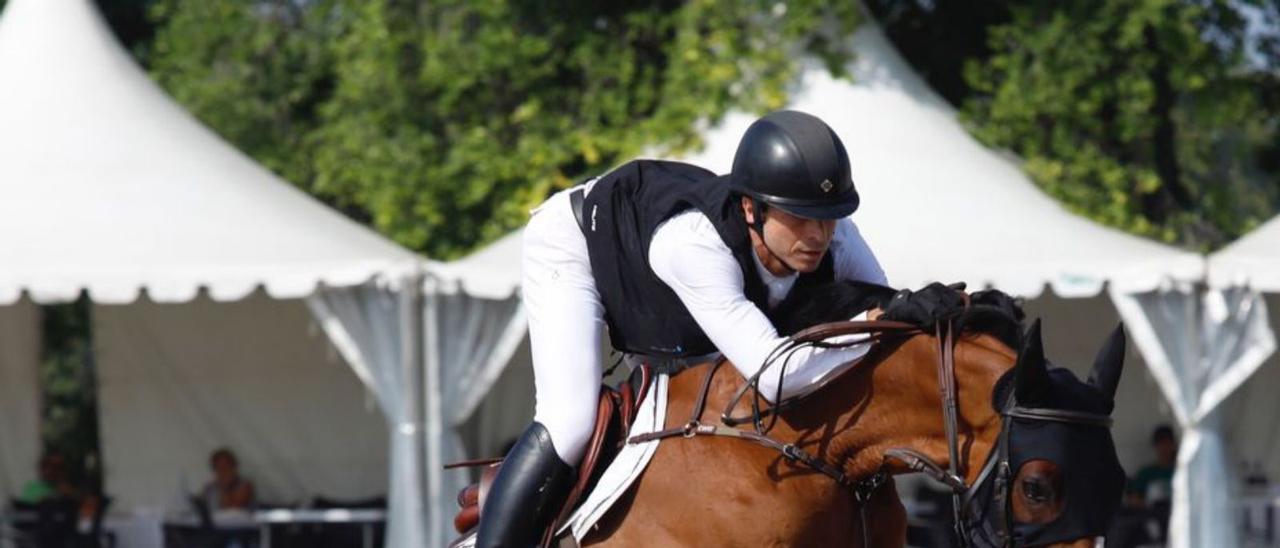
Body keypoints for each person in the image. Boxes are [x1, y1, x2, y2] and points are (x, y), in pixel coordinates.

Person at [478, 110, 887, 547]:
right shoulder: (694, 246)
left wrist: (922, 308)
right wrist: (869, 327)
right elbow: (777, 376)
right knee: (570, 420)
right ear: (751, 208)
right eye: (800, 217)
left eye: (828, 216)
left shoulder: (838, 234)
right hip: (577, 245)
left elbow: (889, 312)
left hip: (666, 293)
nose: (818, 234)